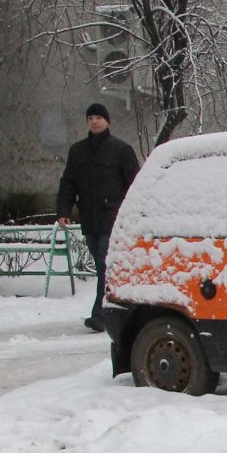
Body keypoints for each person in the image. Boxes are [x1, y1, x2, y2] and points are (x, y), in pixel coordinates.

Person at [57, 102, 140, 331]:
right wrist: (63, 210)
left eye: (98, 118)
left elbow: (135, 185)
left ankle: (101, 314)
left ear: (107, 121)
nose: (94, 122)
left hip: (113, 219)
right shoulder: (78, 151)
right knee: (103, 266)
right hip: (89, 218)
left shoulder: (121, 150)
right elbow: (68, 182)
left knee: (105, 264)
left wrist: (133, 214)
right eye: (90, 118)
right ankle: (123, 306)